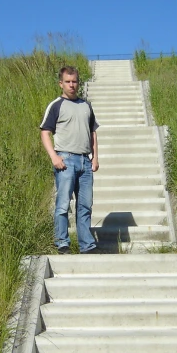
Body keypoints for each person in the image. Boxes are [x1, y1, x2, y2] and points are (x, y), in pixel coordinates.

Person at [40, 66, 100, 254]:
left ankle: (87, 245)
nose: (71, 85)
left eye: (74, 81)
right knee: (63, 204)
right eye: (68, 81)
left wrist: (95, 157)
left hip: (85, 162)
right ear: (61, 83)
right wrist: (54, 157)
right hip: (65, 160)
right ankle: (62, 243)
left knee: (85, 205)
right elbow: (45, 132)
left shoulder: (86, 105)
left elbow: (93, 133)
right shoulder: (56, 105)